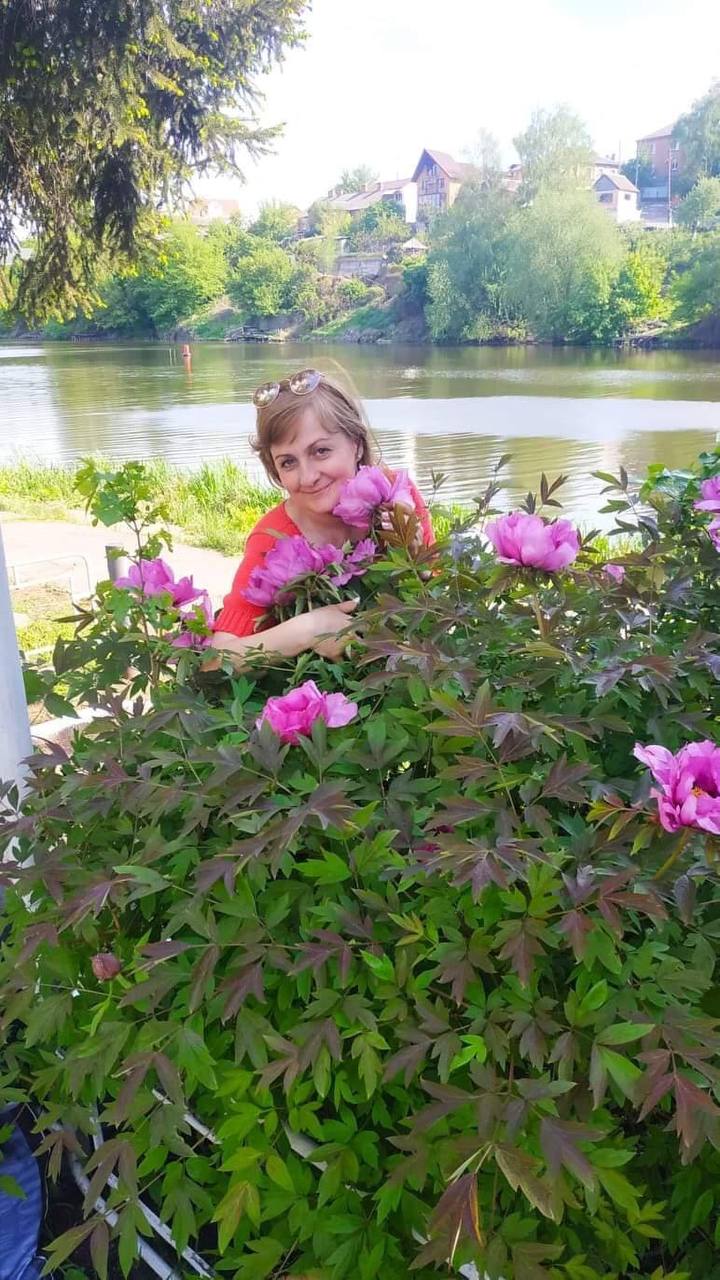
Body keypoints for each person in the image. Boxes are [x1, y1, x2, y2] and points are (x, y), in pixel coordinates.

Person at [208, 368, 433, 666]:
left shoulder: (396, 495)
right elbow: (215, 662)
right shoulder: (274, 538)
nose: (308, 477)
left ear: (357, 444)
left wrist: (417, 560)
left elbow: (440, 607)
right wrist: (308, 630)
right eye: (288, 462)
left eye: (321, 451)